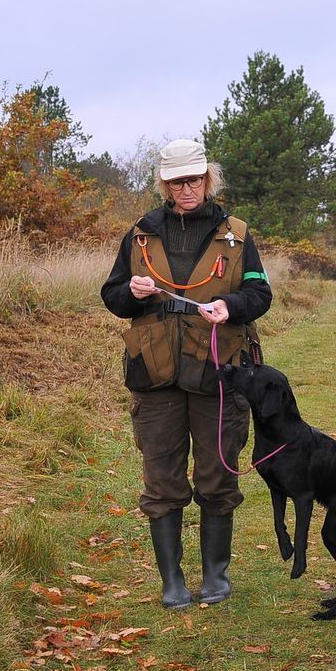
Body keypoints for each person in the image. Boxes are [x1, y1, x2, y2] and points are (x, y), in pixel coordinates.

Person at [101, 138, 272, 609]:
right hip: (154, 377)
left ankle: (216, 574)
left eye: (193, 179)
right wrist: (131, 292)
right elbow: (112, 296)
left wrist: (231, 305)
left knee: (218, 477)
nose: (186, 188)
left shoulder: (237, 235)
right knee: (162, 482)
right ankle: (172, 580)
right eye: (176, 181)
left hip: (218, 373)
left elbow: (261, 295)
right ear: (164, 185)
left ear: (207, 179)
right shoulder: (139, 235)